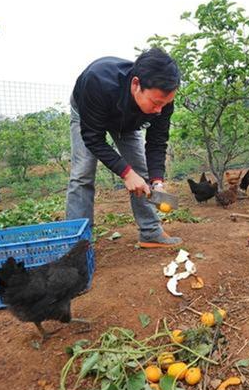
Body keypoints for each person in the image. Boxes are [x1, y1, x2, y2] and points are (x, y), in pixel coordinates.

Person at [66, 48, 182, 248]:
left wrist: (157, 181)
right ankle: (78, 244)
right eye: (156, 103)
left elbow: (157, 141)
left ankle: (150, 232)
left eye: (165, 104)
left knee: (142, 171)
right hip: (89, 112)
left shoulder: (162, 101)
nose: (159, 110)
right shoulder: (98, 81)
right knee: (82, 174)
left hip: (128, 120)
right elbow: (93, 138)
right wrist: (126, 173)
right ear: (136, 84)